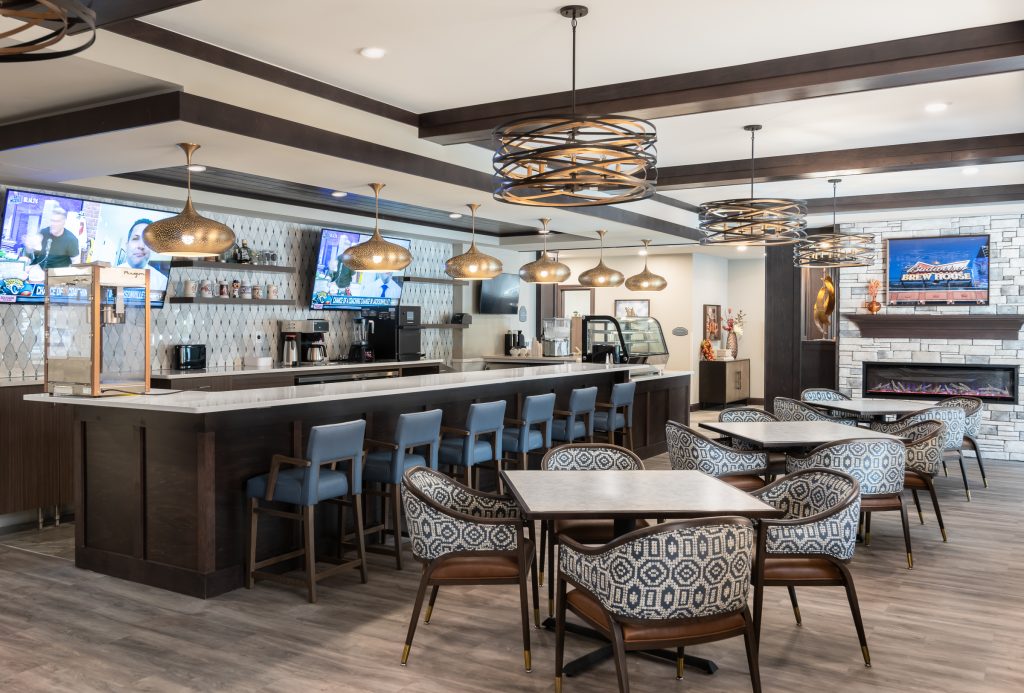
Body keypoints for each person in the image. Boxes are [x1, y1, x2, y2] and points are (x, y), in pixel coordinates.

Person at [118, 218, 168, 293]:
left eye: (147, 240)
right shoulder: (109, 275)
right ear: (127, 245)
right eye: (135, 238)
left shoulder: (162, 282)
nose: (141, 246)